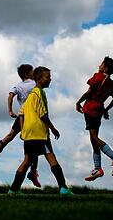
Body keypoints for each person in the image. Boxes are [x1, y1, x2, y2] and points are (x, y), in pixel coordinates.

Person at [7, 66, 73, 196]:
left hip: (29, 134)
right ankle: (63, 188)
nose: (50, 79)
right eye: (48, 77)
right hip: (40, 134)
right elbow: (43, 114)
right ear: (39, 79)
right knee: (51, 158)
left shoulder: (30, 96)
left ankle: (13, 190)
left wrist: (23, 131)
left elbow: (21, 114)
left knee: (27, 161)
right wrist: (53, 129)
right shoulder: (39, 92)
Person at [0, 64, 41, 187]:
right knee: (34, 145)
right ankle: (33, 172)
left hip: (21, 115)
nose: (34, 73)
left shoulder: (18, 86)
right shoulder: (34, 84)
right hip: (32, 118)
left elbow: (10, 95)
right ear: (26, 74)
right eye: (32, 71)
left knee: (10, 136)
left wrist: (10, 110)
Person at [75, 56, 113, 181]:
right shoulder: (110, 83)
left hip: (90, 108)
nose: (99, 65)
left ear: (105, 68)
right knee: (94, 141)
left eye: (101, 64)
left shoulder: (97, 77)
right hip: (98, 111)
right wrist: (106, 109)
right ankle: (97, 169)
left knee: (94, 138)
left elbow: (89, 92)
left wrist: (78, 102)